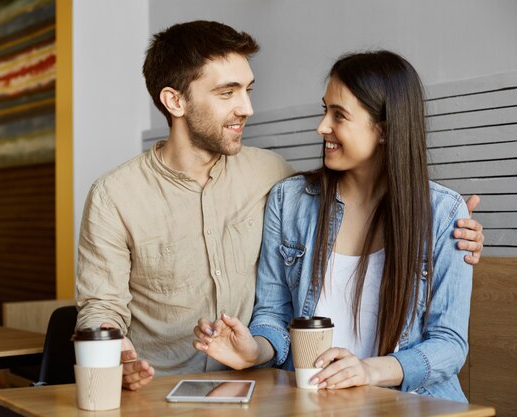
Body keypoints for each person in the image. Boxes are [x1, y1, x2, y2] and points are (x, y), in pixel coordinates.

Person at [76, 21, 483, 392]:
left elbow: (447, 340)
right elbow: (102, 306)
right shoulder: (116, 195)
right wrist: (112, 350)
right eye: (227, 92)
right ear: (174, 101)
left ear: (385, 128)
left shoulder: (272, 176)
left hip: (271, 391)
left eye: (247, 90)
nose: (247, 108)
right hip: (165, 392)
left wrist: (453, 226)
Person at [193, 50, 474, 402]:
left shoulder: (444, 214)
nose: (322, 127)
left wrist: (370, 370)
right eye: (324, 110)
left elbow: (449, 345)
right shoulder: (290, 200)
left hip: (416, 403)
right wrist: (255, 351)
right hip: (315, 404)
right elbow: (273, 315)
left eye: (338, 115)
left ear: (384, 131)